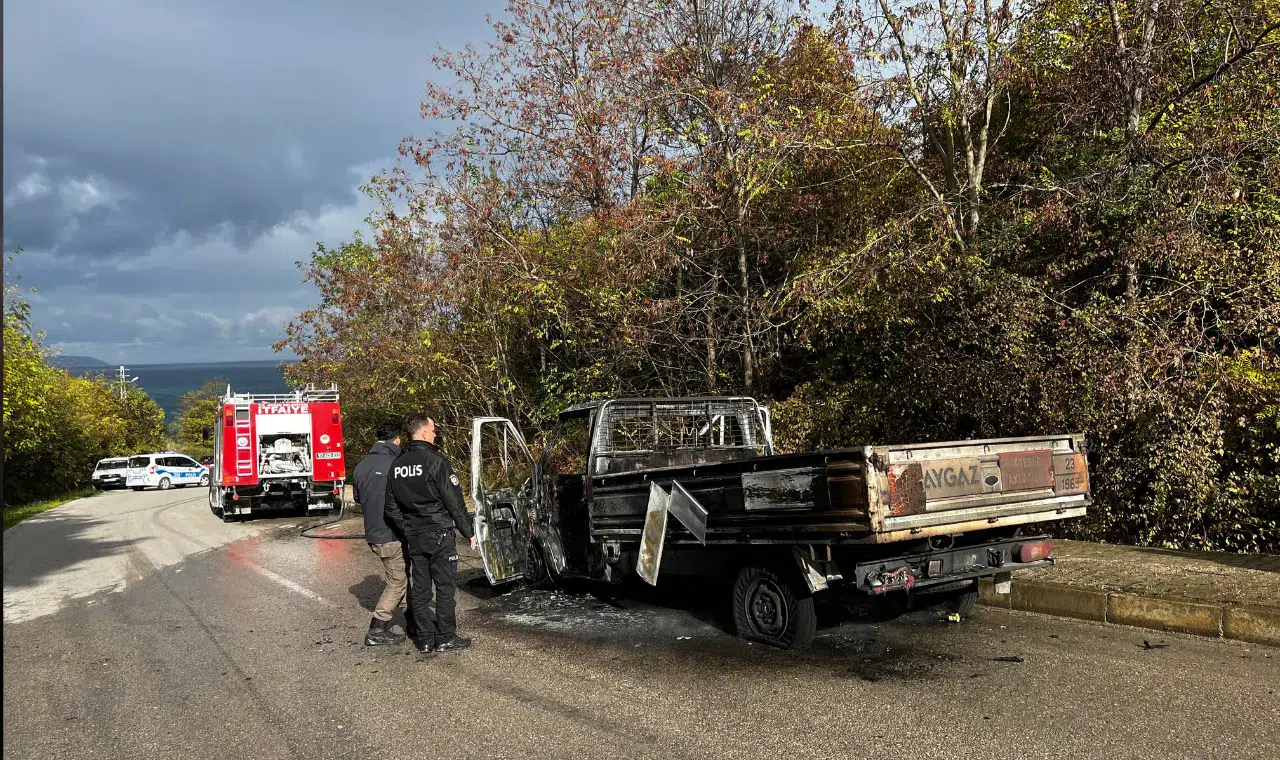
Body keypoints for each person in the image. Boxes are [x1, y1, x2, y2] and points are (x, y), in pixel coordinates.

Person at [385, 415, 477, 654]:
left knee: (421, 588)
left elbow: (391, 507)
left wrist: (408, 528)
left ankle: (425, 639)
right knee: (445, 588)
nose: (435, 434)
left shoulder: (397, 465)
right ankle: (446, 637)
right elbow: (454, 502)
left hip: (415, 536)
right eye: (433, 430)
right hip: (439, 534)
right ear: (424, 433)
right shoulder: (437, 462)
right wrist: (469, 532)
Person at [352, 420, 413, 647]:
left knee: (402, 574)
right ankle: (377, 628)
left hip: (374, 533)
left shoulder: (361, 465)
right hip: (391, 533)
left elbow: (358, 498)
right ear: (397, 439)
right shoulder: (395, 465)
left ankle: (413, 620)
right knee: (398, 580)